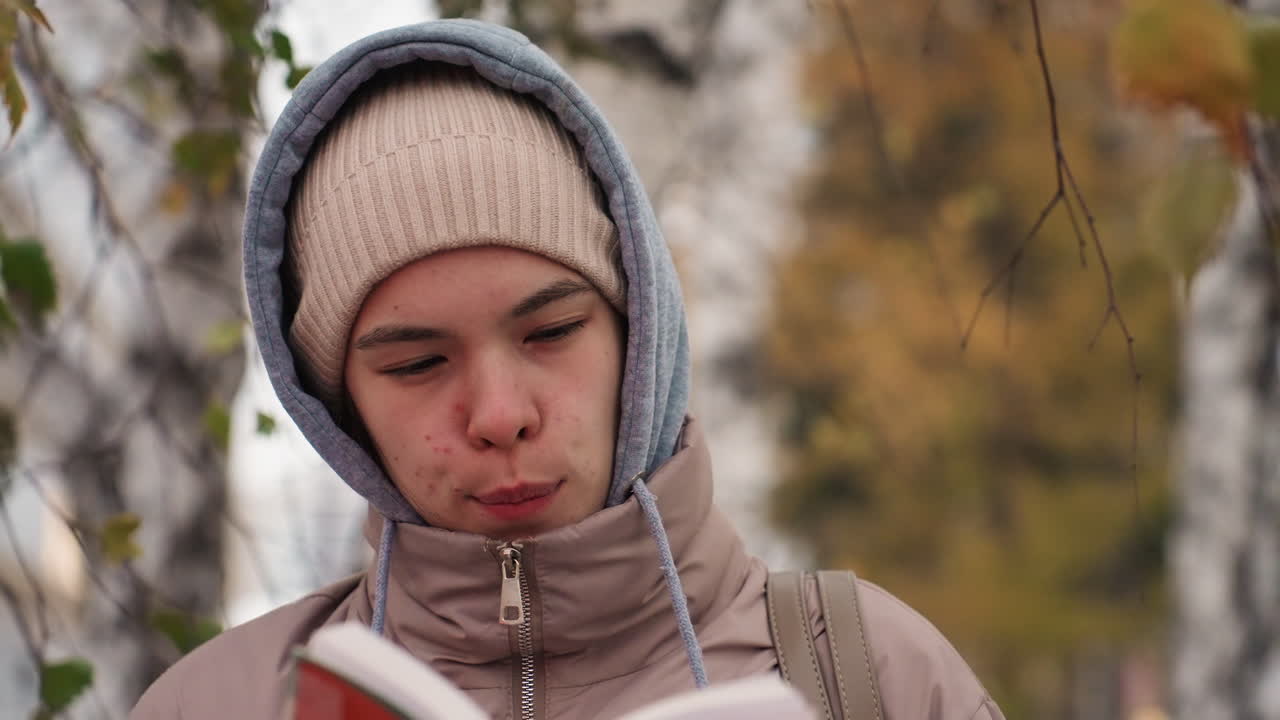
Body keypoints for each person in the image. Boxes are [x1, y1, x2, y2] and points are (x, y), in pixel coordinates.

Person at [131, 18, 1004, 720]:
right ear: (338, 405)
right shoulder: (218, 705)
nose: (500, 414)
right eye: (418, 363)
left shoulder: (871, 677)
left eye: (550, 332)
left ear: (638, 332)